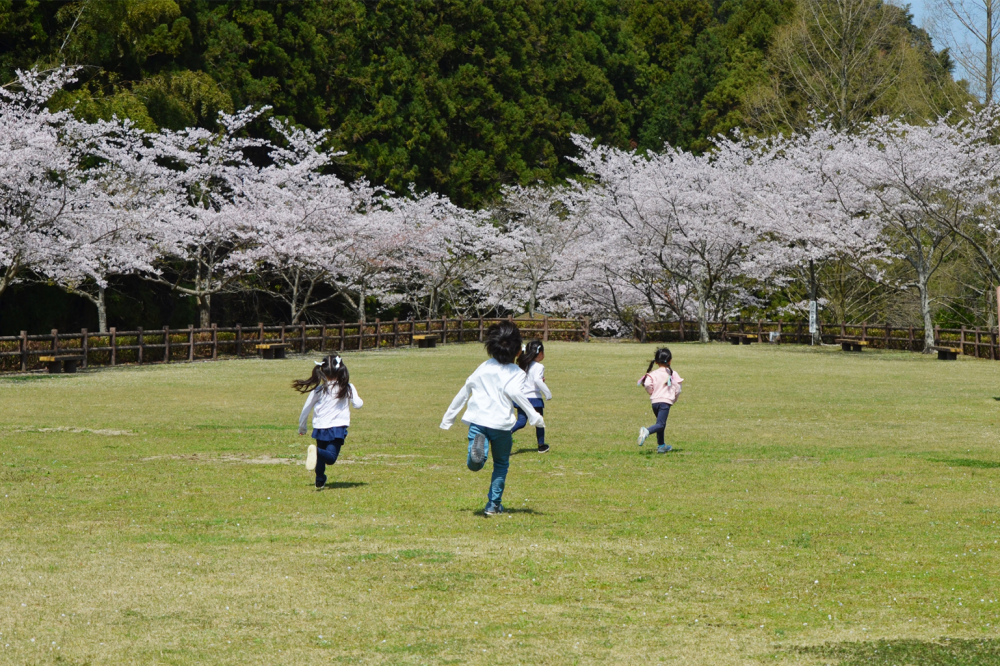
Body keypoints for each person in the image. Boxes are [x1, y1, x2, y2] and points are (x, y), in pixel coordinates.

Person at [440, 321, 544, 516]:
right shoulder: (517, 373)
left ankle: (476, 457)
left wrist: (448, 418)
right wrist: (534, 416)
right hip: (501, 424)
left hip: (478, 421)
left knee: (475, 464)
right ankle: (493, 505)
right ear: (516, 350)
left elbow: (465, 390)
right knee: (501, 464)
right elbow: (516, 393)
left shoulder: (484, 366)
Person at [294, 355, 363, 489]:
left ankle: (320, 479)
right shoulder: (347, 387)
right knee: (330, 458)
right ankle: (316, 452)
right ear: (342, 370)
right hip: (337, 428)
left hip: (320, 427)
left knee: (320, 455)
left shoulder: (318, 390)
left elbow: (305, 409)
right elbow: (358, 404)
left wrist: (302, 427)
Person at [636, 347, 682, 453]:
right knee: (661, 424)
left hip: (655, 403)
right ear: (670, 360)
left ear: (656, 362)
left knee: (660, 423)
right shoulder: (672, 373)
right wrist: (673, 399)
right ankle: (646, 431)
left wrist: (652, 392)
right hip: (665, 402)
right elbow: (678, 389)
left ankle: (661, 446)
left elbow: (647, 384)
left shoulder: (652, 374)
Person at [511, 339, 552, 453]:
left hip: (523, 398)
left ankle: (506, 433)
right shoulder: (539, 366)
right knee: (539, 422)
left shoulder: (523, 364)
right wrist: (547, 393)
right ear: (540, 353)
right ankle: (541, 446)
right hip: (534, 399)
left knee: (521, 422)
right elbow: (537, 381)